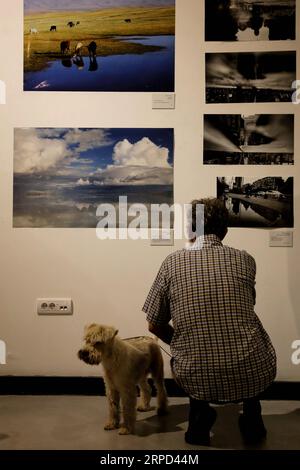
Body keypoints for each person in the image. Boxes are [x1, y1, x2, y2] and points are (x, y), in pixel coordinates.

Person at [142, 198, 276, 446]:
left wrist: (183, 344)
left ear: (190, 229)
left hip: (194, 374)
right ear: (225, 230)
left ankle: (198, 423)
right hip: (252, 370)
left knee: (198, 352)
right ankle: (252, 419)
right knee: (247, 331)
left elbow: (153, 324)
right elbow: (247, 307)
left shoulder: (172, 263)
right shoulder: (245, 259)